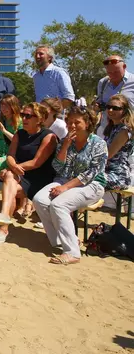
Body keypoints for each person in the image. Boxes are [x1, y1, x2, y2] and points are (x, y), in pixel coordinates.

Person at [33, 107, 107, 265]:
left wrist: (65, 187)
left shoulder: (98, 144)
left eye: (77, 122)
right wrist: (65, 146)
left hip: (92, 184)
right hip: (64, 180)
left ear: (87, 123)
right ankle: (62, 240)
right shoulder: (66, 140)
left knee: (59, 205)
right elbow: (58, 167)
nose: (71, 125)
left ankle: (72, 252)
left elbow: (92, 173)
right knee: (39, 200)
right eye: (69, 121)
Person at [0, 103, 57, 242]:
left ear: (40, 119)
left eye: (28, 116)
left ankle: (3, 225)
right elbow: (10, 155)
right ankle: (4, 223)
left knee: (9, 182)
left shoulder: (49, 137)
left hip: (40, 179)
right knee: (9, 180)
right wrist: (12, 166)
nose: (24, 118)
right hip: (21, 175)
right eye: (22, 115)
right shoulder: (20, 133)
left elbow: (36, 162)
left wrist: (13, 167)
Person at [94, 54, 134, 137]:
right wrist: (97, 106)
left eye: (116, 72)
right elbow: (99, 101)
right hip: (106, 131)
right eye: (109, 72)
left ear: (124, 66)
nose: (112, 75)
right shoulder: (103, 83)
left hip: (129, 131)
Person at [102, 94, 134, 191]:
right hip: (106, 171)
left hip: (118, 176)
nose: (110, 110)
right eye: (108, 107)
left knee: (84, 179)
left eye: (115, 108)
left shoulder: (124, 130)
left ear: (124, 110)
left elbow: (108, 154)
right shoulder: (112, 128)